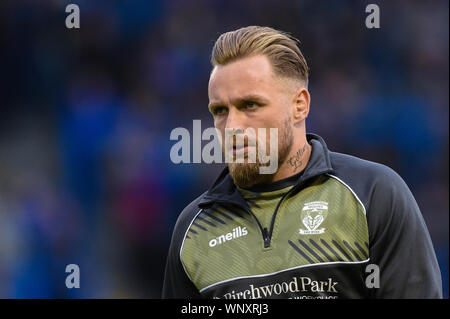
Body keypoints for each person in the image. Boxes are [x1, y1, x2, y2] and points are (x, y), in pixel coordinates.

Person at [162, 26, 442, 299]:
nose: (232, 125)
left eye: (250, 105)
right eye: (220, 110)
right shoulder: (193, 230)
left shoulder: (374, 194)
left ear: (299, 106)